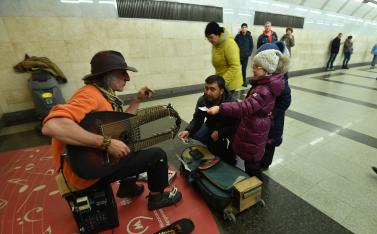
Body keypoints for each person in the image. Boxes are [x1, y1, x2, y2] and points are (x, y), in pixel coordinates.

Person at [42, 50, 182, 211]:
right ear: (108, 74)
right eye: (123, 74)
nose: (127, 78)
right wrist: (106, 143)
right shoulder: (89, 95)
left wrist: (137, 100)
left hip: (94, 164)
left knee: (127, 141)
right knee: (157, 155)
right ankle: (157, 198)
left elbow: (122, 124)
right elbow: (52, 126)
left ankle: (127, 188)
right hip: (86, 173)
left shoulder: (104, 95)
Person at [207, 49, 289, 179]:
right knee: (243, 152)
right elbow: (252, 104)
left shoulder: (264, 89)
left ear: (267, 70)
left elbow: (246, 107)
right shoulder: (263, 85)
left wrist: (220, 108)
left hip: (255, 129)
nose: (253, 69)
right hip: (253, 126)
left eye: (257, 67)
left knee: (252, 163)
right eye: (253, 66)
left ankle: (256, 188)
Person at [177, 75, 236, 163]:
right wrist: (188, 130)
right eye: (206, 88)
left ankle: (229, 155)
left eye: (212, 89)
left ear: (221, 91)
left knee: (229, 156)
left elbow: (236, 125)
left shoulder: (232, 103)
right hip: (212, 124)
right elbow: (197, 119)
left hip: (229, 128)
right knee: (195, 136)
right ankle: (214, 148)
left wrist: (220, 133)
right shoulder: (202, 100)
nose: (208, 92)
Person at [255, 42, 292, 170]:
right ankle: (259, 159)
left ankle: (265, 164)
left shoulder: (281, 81)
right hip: (264, 118)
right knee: (262, 139)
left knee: (270, 142)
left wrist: (274, 113)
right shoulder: (263, 78)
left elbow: (286, 101)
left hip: (274, 119)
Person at [204, 21, 243, 93]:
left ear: (218, 34)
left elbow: (235, 66)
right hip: (221, 81)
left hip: (230, 82)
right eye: (208, 38)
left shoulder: (230, 44)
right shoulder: (216, 44)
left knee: (227, 103)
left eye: (211, 37)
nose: (209, 40)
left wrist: (220, 82)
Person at [235, 23, 254, 87]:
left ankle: (244, 82)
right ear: (241, 28)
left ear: (247, 28)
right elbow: (234, 45)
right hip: (238, 56)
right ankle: (237, 82)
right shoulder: (238, 36)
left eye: (245, 27)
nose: (244, 28)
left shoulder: (249, 36)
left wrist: (249, 53)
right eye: (243, 27)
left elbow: (251, 46)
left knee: (244, 70)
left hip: (245, 57)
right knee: (237, 70)